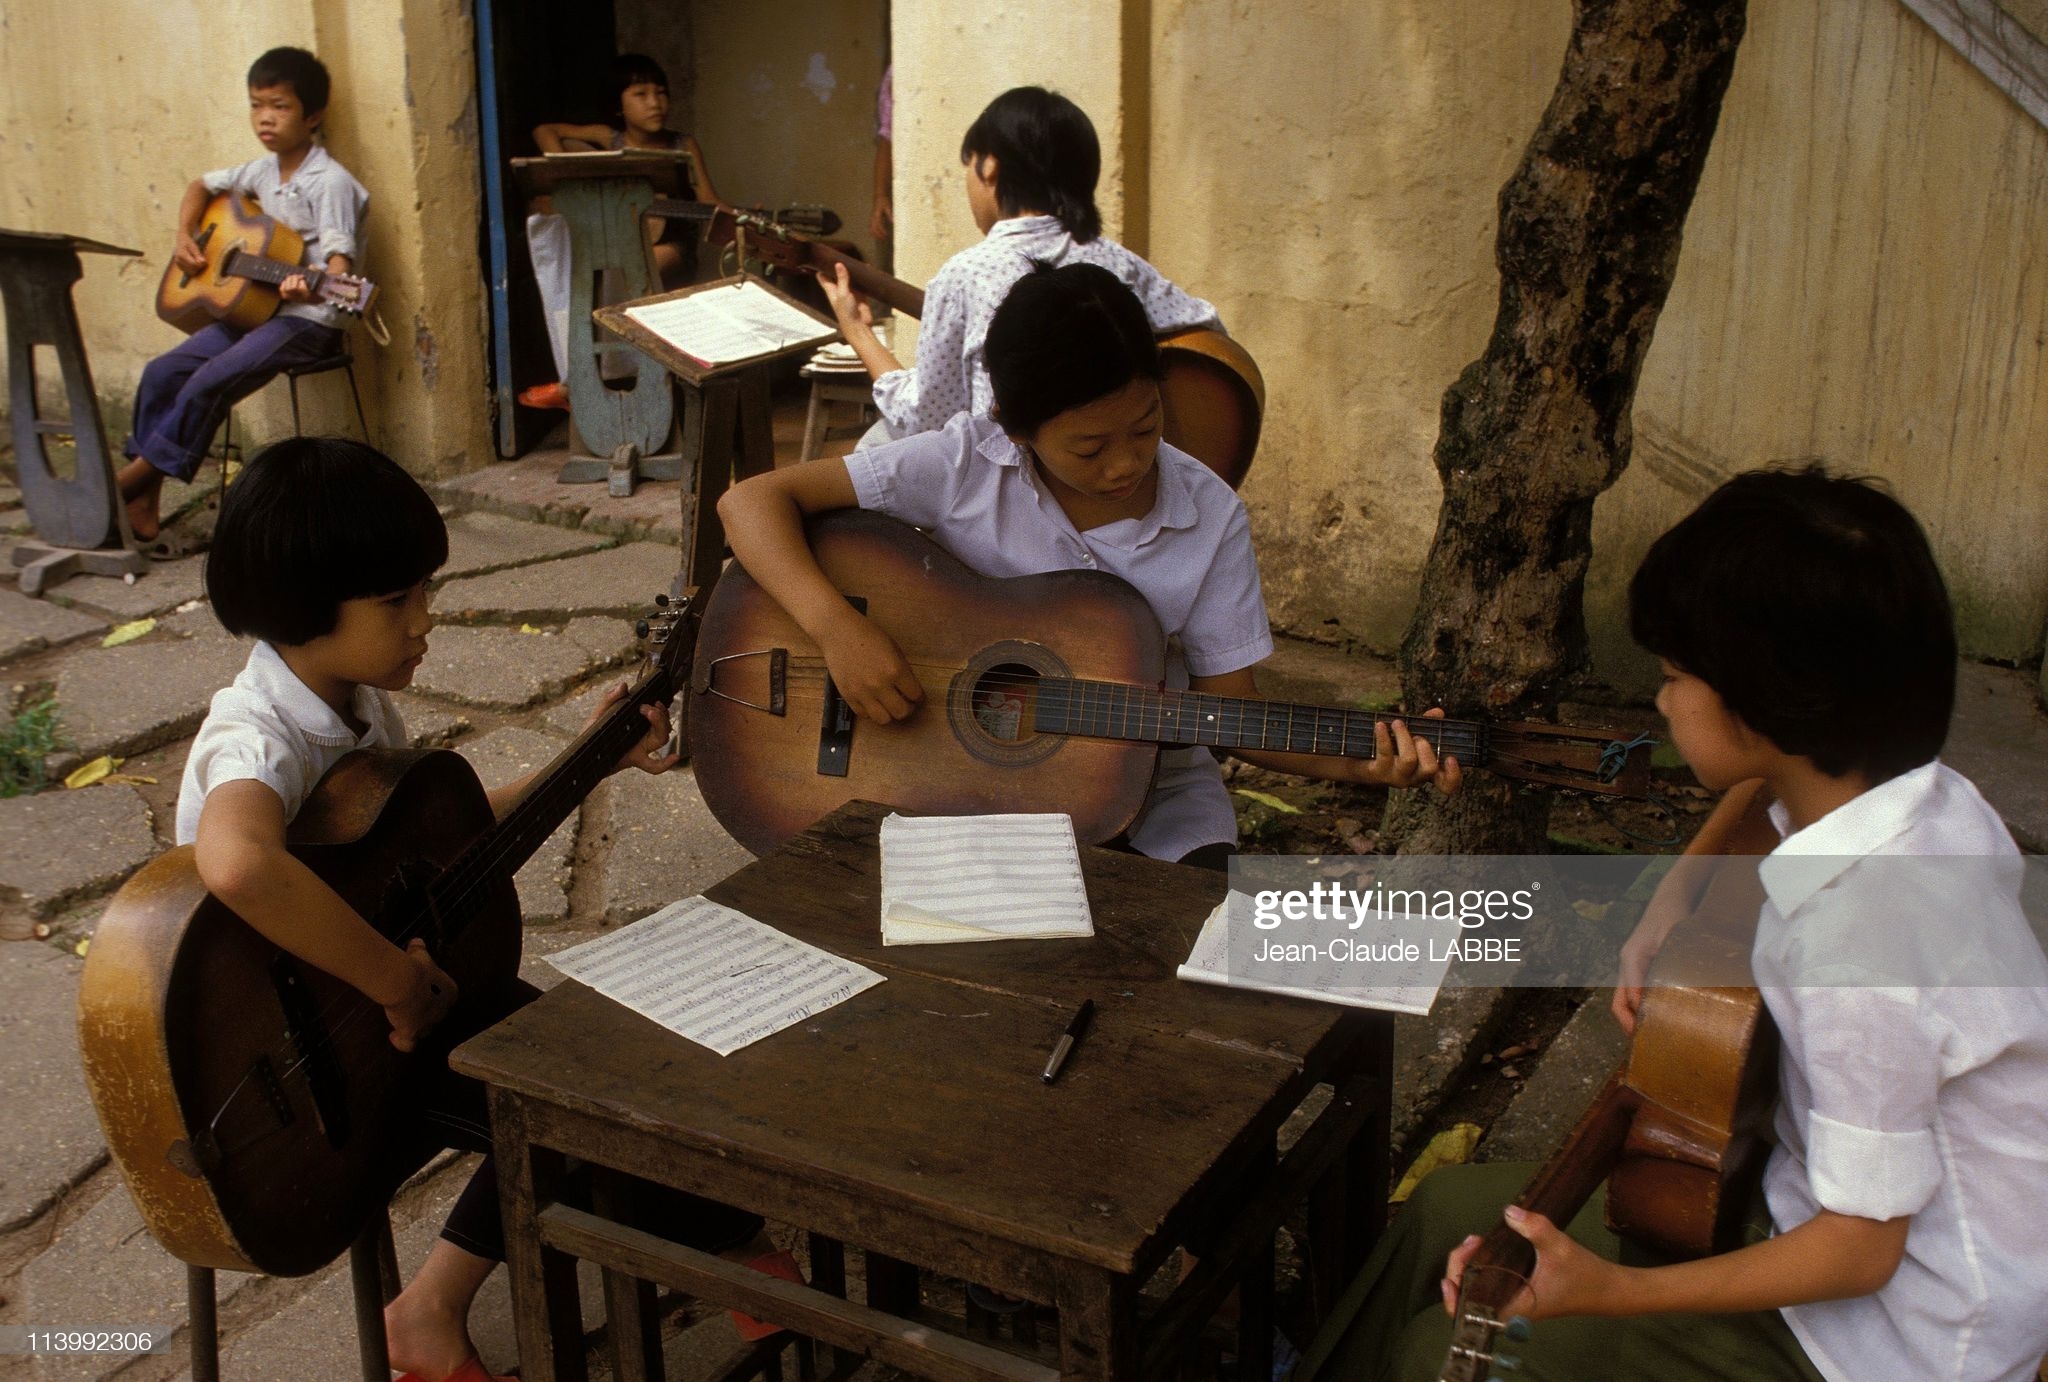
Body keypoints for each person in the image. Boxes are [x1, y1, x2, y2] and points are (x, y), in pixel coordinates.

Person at [1314, 467, 2048, 1382]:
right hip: (1804, 1202)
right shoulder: (1918, 790)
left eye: (1672, 677)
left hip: (1887, 1340)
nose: (1659, 702)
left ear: (1770, 702)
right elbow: (1757, 783)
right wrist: (1675, 895)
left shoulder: (1864, 943)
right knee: (1445, 1209)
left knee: (1442, 1355)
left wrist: (1601, 1292)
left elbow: (1861, 1252)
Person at [178, 437, 792, 1382]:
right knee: (573, 1100)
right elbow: (234, 862)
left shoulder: (344, 698)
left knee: (602, 1061)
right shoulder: (257, 735)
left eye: (424, 588)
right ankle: (709, 1255)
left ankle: (462, 1298)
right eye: (397, 601)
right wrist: (394, 979)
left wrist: (589, 759)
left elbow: (435, 840)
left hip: (377, 1025)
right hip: (316, 1064)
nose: (427, 618)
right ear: (302, 609)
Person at [719, 263, 1456, 869]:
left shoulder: (1210, 517)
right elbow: (751, 503)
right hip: (948, 796)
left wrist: (1362, 765)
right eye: (1088, 448)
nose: (1127, 463)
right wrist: (837, 627)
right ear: (1016, 429)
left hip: (1147, 805)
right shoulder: (963, 463)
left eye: (1145, 427)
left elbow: (1239, 717)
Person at [819, 85, 1220, 446]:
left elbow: (927, 420)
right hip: (1107, 466)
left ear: (989, 166)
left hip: (1007, 483)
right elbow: (1212, 333)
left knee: (876, 443)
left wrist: (859, 333)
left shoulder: (963, 275)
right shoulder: (1120, 262)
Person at [118, 47, 368, 547]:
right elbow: (199, 185)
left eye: (279, 106)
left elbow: (341, 260)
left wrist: (320, 277)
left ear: (313, 115)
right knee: (162, 372)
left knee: (209, 380)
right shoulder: (259, 172)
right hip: (257, 310)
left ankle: (125, 486)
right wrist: (185, 237)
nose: (265, 118)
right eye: (257, 105)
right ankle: (143, 497)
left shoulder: (331, 182)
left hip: (308, 319)